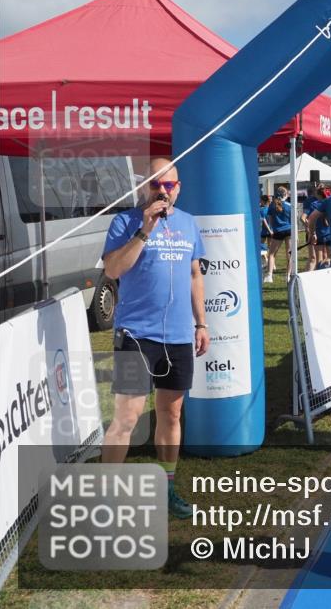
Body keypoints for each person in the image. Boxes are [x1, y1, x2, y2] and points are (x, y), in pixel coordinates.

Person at [100, 157, 209, 519]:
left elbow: (195, 274)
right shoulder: (125, 222)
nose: (164, 191)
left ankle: (167, 488)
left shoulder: (189, 224)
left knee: (171, 412)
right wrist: (144, 231)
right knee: (128, 417)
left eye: (170, 185)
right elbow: (113, 270)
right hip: (135, 335)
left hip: (178, 337)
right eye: (156, 185)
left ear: (180, 187)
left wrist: (202, 323)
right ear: (145, 187)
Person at [265, 186, 293, 283]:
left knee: (272, 254)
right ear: (285, 194)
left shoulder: (272, 206)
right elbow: (293, 221)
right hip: (289, 230)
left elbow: (269, 219)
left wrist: (272, 228)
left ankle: (269, 275)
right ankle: (288, 276)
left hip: (277, 231)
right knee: (289, 254)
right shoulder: (289, 206)